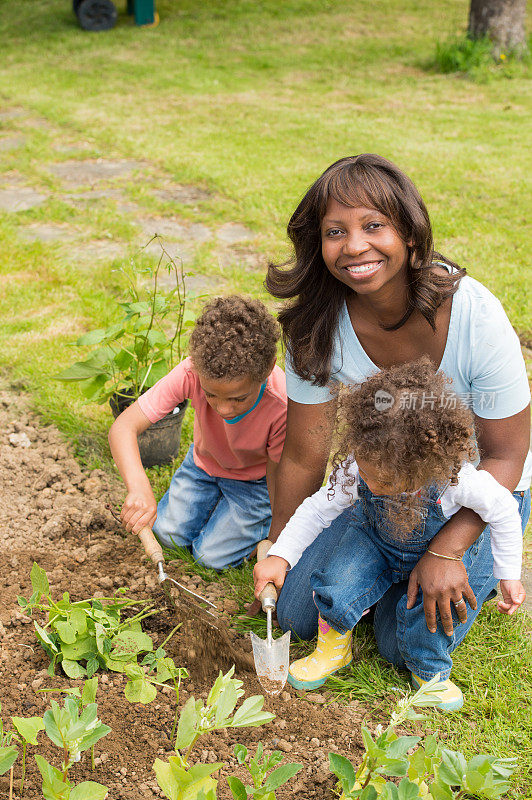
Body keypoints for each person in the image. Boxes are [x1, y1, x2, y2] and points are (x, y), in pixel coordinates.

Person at [261, 153, 531, 709]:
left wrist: (447, 552)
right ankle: (378, 580)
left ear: (410, 235)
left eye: (373, 226)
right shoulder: (317, 326)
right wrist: (280, 551)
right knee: (294, 610)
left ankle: (403, 592)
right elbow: (303, 456)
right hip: (378, 489)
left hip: (474, 491)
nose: (354, 245)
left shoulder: (475, 317)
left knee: (395, 644)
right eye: (335, 232)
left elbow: (505, 456)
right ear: (318, 244)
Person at [254, 360, 526, 710]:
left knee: (427, 613)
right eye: (366, 473)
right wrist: (281, 555)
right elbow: (318, 508)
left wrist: (509, 575)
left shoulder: (459, 481)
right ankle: (333, 650)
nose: (369, 484)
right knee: (336, 580)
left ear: (426, 466)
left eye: (384, 482)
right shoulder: (362, 465)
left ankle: (430, 674)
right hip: (374, 541)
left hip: (430, 553)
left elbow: (504, 511)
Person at [109, 295, 287, 570]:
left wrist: (277, 533)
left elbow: (279, 473)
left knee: (210, 558)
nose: (224, 409)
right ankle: (215, 503)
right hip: (203, 466)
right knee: (167, 536)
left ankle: (252, 523)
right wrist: (139, 486)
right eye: (211, 395)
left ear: (265, 370)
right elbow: (123, 427)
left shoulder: (280, 403)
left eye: (238, 399)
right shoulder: (191, 372)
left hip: (254, 484)